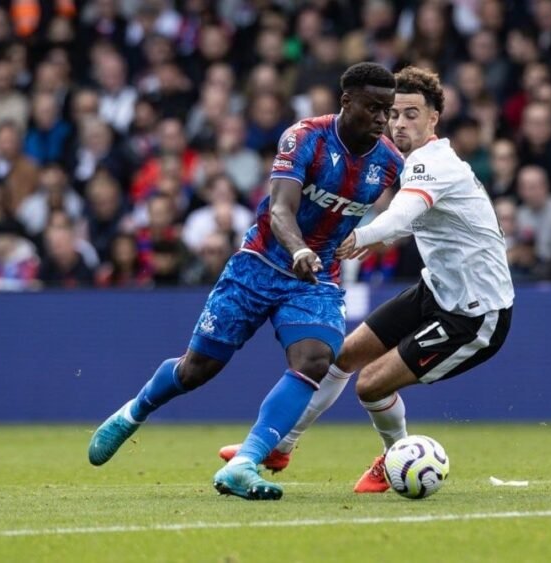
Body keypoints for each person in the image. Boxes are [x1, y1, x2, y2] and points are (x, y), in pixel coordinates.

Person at [87, 62, 403, 501]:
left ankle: (244, 462)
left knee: (315, 359)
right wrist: (298, 249)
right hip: (258, 264)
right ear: (346, 101)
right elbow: (280, 209)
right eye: (373, 108)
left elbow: (415, 208)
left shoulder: (389, 162)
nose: (382, 119)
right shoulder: (305, 137)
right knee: (197, 369)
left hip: (316, 277)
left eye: (388, 110)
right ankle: (133, 412)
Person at [219, 66, 513, 494]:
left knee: (371, 385)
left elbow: (401, 217)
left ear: (434, 118)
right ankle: (281, 445)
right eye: (394, 114)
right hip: (437, 291)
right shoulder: (410, 162)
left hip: (475, 313)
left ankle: (396, 461)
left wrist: (360, 236)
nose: (399, 123)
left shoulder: (435, 163)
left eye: (412, 114)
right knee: (341, 356)